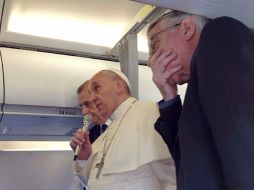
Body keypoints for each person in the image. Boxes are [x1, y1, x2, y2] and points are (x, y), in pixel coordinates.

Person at [148, 10, 254, 189]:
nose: (150, 59)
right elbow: (189, 163)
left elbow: (245, 143)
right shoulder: (201, 81)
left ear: (186, 28)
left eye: (154, 43)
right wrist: (169, 97)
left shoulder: (220, 35)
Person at [71, 69, 176, 190]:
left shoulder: (148, 112)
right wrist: (85, 158)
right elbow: (92, 182)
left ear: (118, 85)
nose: (93, 97)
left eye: (97, 88)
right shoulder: (105, 136)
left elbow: (171, 177)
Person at [72, 80, 108, 190]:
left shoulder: (123, 128)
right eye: (81, 106)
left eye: (87, 104)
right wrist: (83, 158)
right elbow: (90, 181)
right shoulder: (91, 134)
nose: (84, 112)